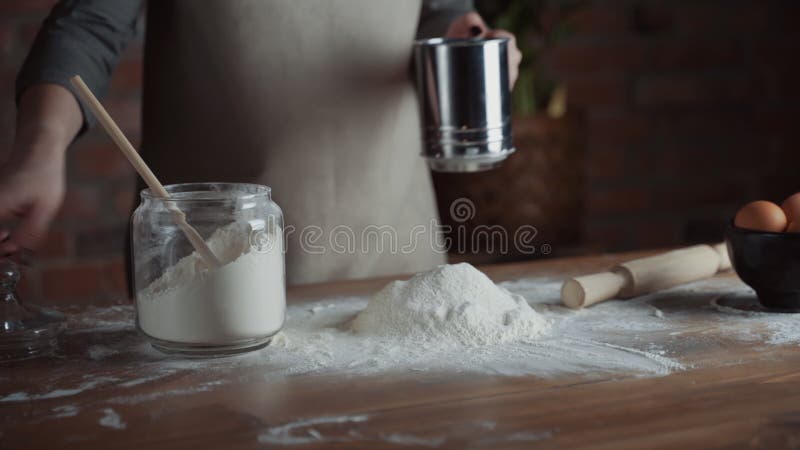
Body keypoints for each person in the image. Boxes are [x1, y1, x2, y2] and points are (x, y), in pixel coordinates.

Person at [0, 0, 521, 285]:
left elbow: (438, 9)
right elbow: (89, 24)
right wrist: (39, 148)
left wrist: (465, 36)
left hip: (392, 250)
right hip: (208, 267)